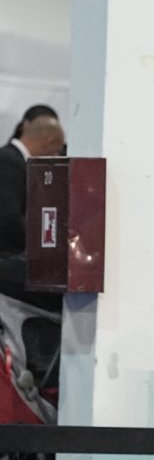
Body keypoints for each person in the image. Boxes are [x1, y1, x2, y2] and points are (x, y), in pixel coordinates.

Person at [0, 109, 65, 312]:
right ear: (49, 141)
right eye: (55, 151)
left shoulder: (13, 160)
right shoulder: (8, 160)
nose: (55, 157)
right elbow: (8, 217)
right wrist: (39, 248)